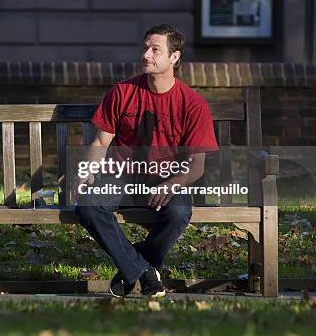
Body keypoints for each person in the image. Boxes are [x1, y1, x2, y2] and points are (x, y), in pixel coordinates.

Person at [74, 24, 218, 298]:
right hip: (124, 176)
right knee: (88, 205)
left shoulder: (193, 104)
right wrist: (88, 170)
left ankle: (135, 265)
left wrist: (173, 183)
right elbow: (101, 142)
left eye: (155, 50)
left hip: (167, 177)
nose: (146, 55)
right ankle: (145, 271)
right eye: (145, 48)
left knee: (177, 213)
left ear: (174, 57)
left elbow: (196, 165)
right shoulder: (122, 92)